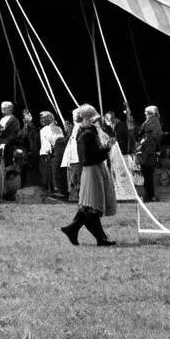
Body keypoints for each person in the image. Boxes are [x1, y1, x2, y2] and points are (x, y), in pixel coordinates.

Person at [60, 104, 117, 247]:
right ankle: (82, 232)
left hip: (93, 170)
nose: (97, 121)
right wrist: (107, 148)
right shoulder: (87, 135)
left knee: (89, 207)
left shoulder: (88, 132)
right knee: (91, 207)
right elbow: (88, 158)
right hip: (91, 170)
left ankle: (77, 230)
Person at [137, 104, 163, 203]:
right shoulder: (150, 121)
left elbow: (156, 135)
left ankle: (150, 195)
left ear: (150, 113)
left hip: (149, 151)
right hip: (147, 150)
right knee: (147, 174)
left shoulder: (153, 121)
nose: (144, 114)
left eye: (146, 112)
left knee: (148, 174)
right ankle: (149, 195)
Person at [0, 102, 21, 170]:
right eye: (2, 107)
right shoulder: (2, 119)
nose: (2, 108)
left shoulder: (14, 119)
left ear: (10, 109)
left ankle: (9, 166)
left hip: (9, 140)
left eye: (4, 107)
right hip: (1, 140)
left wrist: (0, 131)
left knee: (5, 149)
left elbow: (11, 130)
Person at [62, 111, 82, 203]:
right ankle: (73, 196)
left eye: (75, 116)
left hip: (77, 158)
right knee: (72, 178)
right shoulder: (75, 128)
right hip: (72, 158)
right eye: (73, 116)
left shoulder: (80, 128)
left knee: (76, 178)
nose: (74, 117)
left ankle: (77, 196)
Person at [21, 110, 41, 187]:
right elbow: (23, 137)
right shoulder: (25, 129)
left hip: (34, 151)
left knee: (34, 168)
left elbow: (34, 140)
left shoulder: (34, 129)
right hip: (28, 151)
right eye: (25, 116)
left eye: (28, 115)